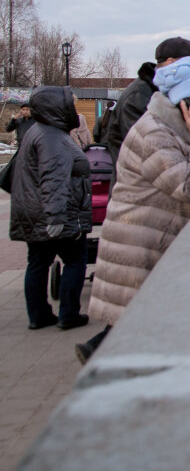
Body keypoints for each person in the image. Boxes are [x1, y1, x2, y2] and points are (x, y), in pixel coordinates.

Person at [78, 56, 190, 363]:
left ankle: (100, 355)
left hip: (147, 235)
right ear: (184, 100)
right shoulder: (155, 133)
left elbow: (186, 172)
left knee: (133, 328)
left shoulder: (169, 128)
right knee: (137, 328)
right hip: (139, 241)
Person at [8, 86, 92, 330]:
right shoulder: (52, 136)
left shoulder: (37, 131)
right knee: (75, 260)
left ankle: (39, 315)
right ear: (57, 107)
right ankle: (69, 314)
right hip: (56, 212)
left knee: (38, 262)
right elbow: (53, 177)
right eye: (70, 104)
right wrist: (55, 217)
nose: (73, 109)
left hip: (34, 210)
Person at [102, 37, 190, 185]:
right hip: (140, 191)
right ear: (171, 63)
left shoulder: (162, 93)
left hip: (156, 187)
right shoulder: (139, 96)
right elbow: (152, 151)